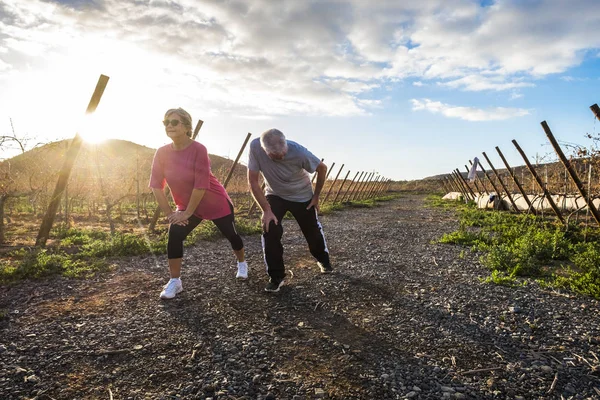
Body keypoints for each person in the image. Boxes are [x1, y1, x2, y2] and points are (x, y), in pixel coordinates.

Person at [149, 108, 248, 299]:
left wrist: (186, 213)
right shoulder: (161, 153)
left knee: (231, 235)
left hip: (213, 201)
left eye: (174, 122)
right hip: (187, 204)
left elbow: (200, 185)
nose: (169, 125)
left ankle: (242, 262)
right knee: (175, 233)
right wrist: (171, 214)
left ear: (187, 126)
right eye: (166, 122)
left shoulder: (198, 149)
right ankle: (175, 281)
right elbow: (155, 186)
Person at [248, 128, 332, 293]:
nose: (281, 158)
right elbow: (252, 181)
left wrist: (316, 197)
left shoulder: (299, 152)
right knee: (269, 228)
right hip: (275, 194)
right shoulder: (255, 147)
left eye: (283, 154)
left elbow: (322, 168)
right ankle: (276, 276)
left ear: (286, 144)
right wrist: (266, 210)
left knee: (312, 231)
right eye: (275, 156)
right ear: (265, 151)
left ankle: (323, 259)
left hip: (302, 195)